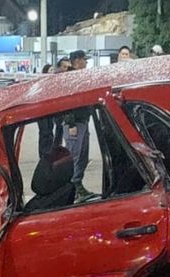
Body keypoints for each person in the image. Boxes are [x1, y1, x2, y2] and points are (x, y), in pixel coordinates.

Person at [63, 50, 92, 200]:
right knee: (75, 156)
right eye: (84, 60)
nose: (86, 63)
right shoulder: (70, 78)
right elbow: (67, 103)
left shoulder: (79, 77)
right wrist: (70, 123)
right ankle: (71, 191)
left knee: (83, 156)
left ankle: (78, 185)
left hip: (82, 121)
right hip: (74, 123)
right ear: (77, 61)